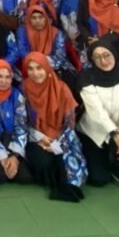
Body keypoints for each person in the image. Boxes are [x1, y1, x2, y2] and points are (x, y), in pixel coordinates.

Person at [76, 35, 119, 192]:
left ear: (114, 53)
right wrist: (116, 137)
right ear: (92, 60)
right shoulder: (86, 78)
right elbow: (97, 113)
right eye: (97, 57)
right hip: (95, 130)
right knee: (98, 178)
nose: (103, 61)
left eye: (106, 55)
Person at [21, 53, 86, 202]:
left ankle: (66, 185)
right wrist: (40, 138)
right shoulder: (23, 88)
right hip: (34, 136)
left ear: (47, 68)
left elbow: (69, 122)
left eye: (39, 68)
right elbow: (21, 121)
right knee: (44, 163)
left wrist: (56, 144)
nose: (35, 73)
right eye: (30, 69)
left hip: (61, 136)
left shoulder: (61, 88)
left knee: (66, 160)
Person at [0, 60, 33, 185]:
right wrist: (1, 155)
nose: (4, 81)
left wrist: (14, 156)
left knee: (25, 177)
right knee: (0, 177)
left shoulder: (16, 95)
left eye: (7, 77)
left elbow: (21, 126)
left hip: (11, 141)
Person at [16, 5, 73, 81]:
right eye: (34, 18)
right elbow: (22, 51)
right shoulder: (22, 31)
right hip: (31, 67)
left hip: (54, 68)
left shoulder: (56, 33)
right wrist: (36, 64)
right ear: (29, 19)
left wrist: (41, 63)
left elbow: (60, 56)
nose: (37, 21)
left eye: (40, 17)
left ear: (45, 18)